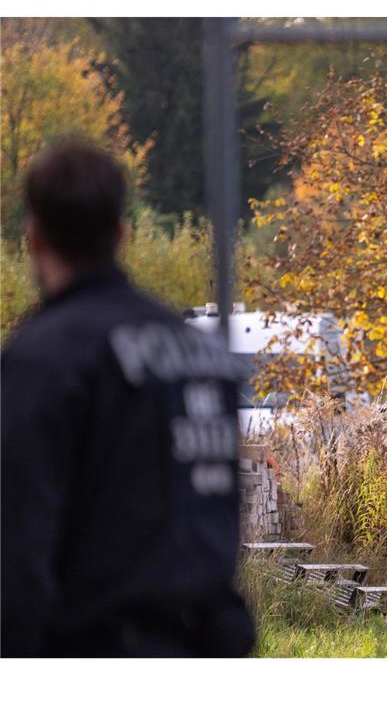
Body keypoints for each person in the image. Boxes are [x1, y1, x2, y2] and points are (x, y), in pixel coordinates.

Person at [1, 142, 254, 656]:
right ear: (121, 232)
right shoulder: (201, 355)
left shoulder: (44, 360)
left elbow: (17, 547)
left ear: (34, 237)